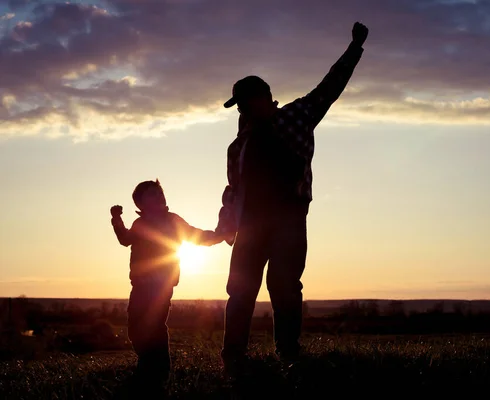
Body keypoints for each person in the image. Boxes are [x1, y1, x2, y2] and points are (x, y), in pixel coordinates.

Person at [215, 22, 369, 377]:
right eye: (239, 108)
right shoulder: (238, 145)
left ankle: (287, 354)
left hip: (288, 218)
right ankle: (234, 356)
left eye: (246, 105)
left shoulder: (296, 116)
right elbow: (232, 191)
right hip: (252, 225)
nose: (242, 113)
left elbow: (330, 87)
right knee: (240, 291)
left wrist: (355, 47)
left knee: (283, 287)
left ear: (264, 99)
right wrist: (226, 225)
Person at [110, 179, 221, 395]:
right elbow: (125, 240)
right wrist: (116, 219)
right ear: (140, 204)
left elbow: (195, 235)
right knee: (135, 324)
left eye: (159, 192)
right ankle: (147, 361)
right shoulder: (139, 224)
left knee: (155, 325)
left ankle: (159, 369)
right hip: (140, 284)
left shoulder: (173, 220)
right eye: (151, 194)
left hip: (162, 284)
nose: (158, 196)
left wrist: (219, 235)